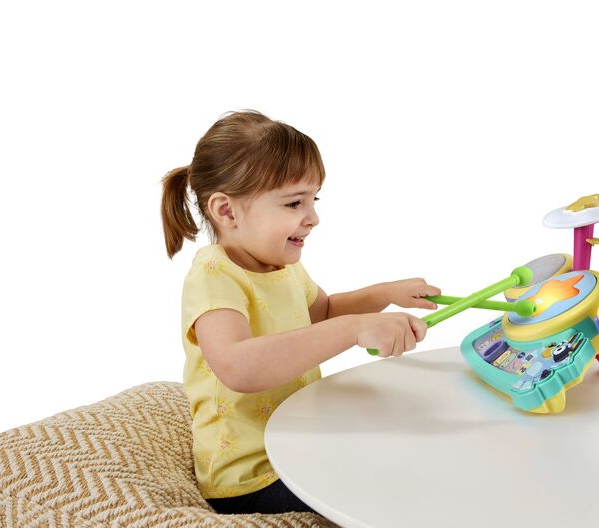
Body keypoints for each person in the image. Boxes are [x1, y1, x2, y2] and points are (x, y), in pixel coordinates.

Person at [159, 110, 441, 515]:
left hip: (297, 444)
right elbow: (239, 368)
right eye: (294, 203)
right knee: (387, 489)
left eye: (313, 200)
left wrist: (385, 294)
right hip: (251, 474)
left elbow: (323, 312)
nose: (313, 218)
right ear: (227, 212)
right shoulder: (213, 276)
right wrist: (354, 329)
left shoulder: (282, 265)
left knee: (405, 441)